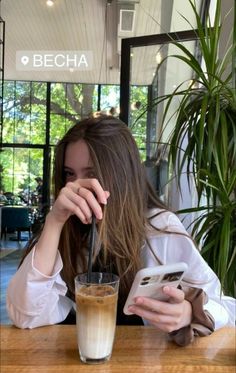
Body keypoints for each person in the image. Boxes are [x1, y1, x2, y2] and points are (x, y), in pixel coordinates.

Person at [7, 114, 235, 346]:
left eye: (92, 173)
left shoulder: (158, 227)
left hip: (139, 370)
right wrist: (54, 221)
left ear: (121, 175)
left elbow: (226, 307)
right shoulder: (63, 229)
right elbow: (25, 315)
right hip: (71, 367)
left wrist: (190, 312)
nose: (76, 186)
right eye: (69, 174)